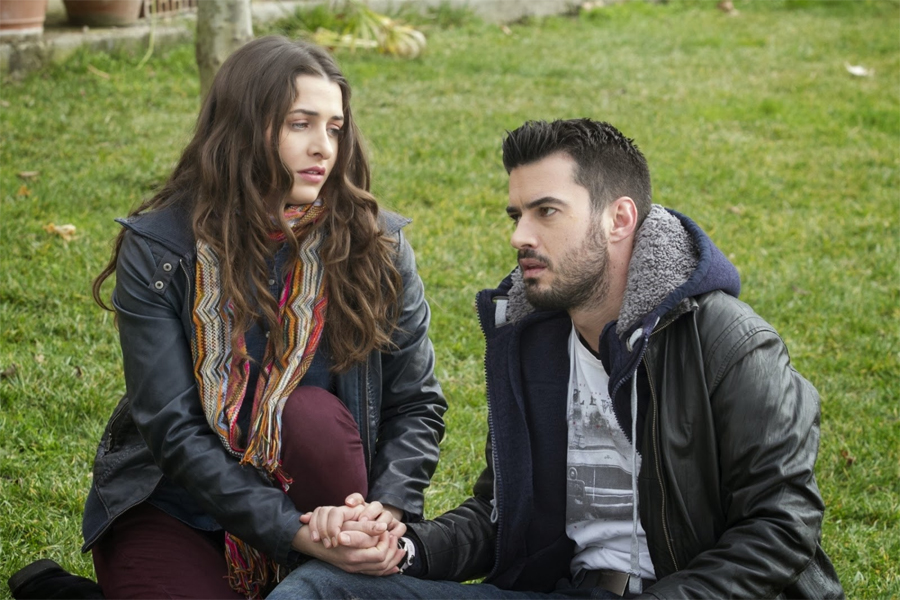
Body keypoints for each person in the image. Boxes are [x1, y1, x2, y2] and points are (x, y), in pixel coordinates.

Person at [268, 119, 844, 599]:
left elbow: (781, 528)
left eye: (546, 212)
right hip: (566, 590)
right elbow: (499, 513)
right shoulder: (532, 342)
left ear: (619, 219)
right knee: (321, 587)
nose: (520, 235)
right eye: (516, 214)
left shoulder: (728, 343)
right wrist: (402, 547)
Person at [12, 36, 446, 600]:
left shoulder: (375, 245)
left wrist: (385, 512)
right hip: (180, 506)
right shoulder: (161, 250)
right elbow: (172, 428)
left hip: (328, 502)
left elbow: (416, 401)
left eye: (335, 128)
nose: (323, 147)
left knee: (309, 415)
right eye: (299, 124)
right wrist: (294, 535)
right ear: (243, 128)